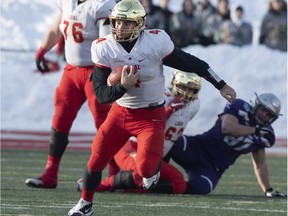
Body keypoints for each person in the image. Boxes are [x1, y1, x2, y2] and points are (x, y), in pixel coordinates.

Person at [68, 0, 236, 215]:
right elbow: (101, 95)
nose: (120, 27)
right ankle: (85, 203)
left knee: (146, 169)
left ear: (139, 24)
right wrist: (122, 87)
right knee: (95, 160)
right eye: (117, 22)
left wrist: (220, 84)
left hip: (151, 116)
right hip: (120, 113)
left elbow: (191, 63)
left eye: (126, 23)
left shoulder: (155, 42)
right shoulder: (103, 46)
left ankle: (152, 170)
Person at [25, 0, 116, 189]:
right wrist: (41, 51)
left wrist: (104, 72)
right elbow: (56, 29)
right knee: (59, 121)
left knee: (105, 125)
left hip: (95, 72)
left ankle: (114, 175)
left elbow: (107, 41)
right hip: (71, 71)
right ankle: (50, 174)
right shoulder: (67, 1)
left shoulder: (101, 4)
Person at [76, 70, 202, 194]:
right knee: (141, 174)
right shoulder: (161, 96)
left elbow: (170, 135)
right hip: (132, 147)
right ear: (174, 83)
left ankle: (126, 187)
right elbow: (148, 124)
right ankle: (99, 185)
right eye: (183, 87)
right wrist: (169, 110)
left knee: (178, 184)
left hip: (153, 153)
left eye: (191, 89)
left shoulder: (194, 105)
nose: (187, 93)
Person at [168, 93, 287, 197]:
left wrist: (268, 190)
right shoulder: (239, 106)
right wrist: (254, 130)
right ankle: (154, 172)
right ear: (256, 105)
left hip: (213, 167)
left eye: (269, 115)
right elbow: (227, 128)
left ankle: (163, 186)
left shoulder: (265, 135)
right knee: (172, 143)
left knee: (202, 187)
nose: (264, 115)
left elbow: (260, 164)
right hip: (197, 148)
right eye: (263, 110)